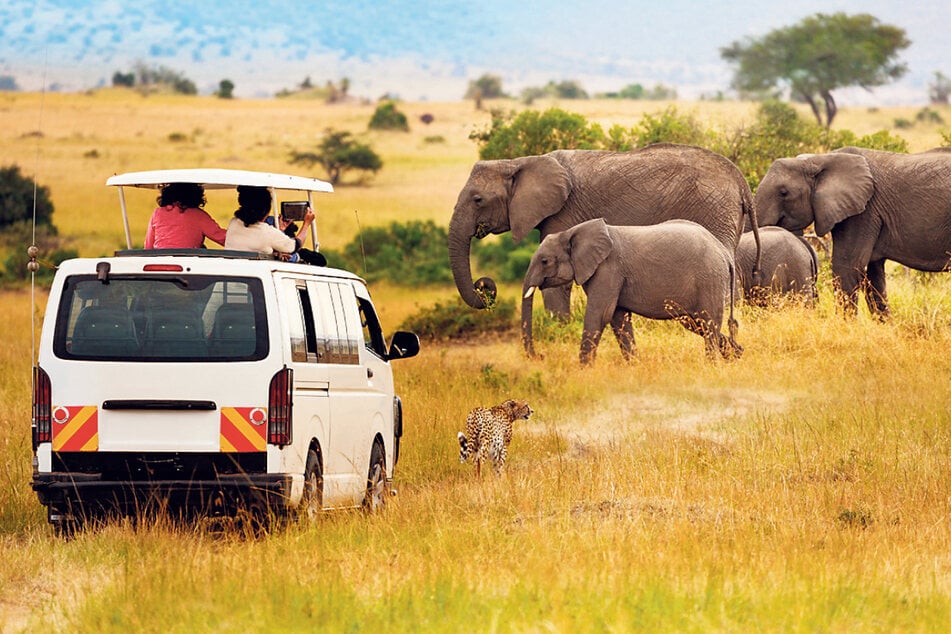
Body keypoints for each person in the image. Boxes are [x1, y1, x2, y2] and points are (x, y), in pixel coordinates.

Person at [225, 185, 324, 264]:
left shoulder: (233, 223)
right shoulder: (268, 233)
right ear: (266, 210)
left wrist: (279, 231)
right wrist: (306, 224)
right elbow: (295, 246)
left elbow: (253, 241)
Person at [144, 182, 227, 249]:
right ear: (195, 195)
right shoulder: (198, 215)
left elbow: (148, 247)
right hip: (188, 266)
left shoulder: (157, 213)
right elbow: (222, 238)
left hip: (158, 265)